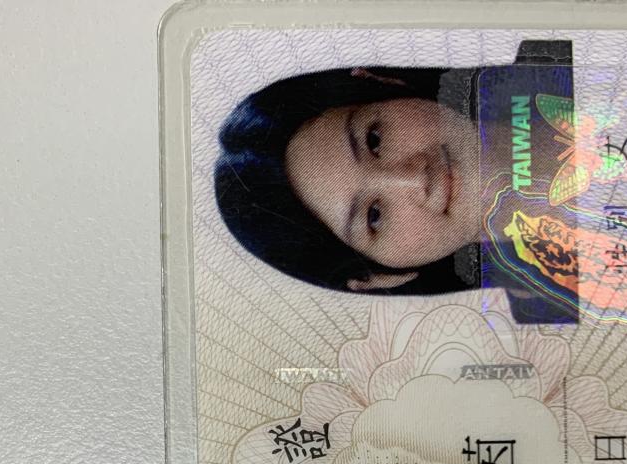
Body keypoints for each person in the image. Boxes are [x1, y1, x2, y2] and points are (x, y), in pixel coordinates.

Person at [214, 41, 584, 324]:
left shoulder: (580, 40)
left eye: (374, 139)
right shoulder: (570, 339)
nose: (412, 178)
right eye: (373, 215)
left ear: (381, 82)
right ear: (380, 278)